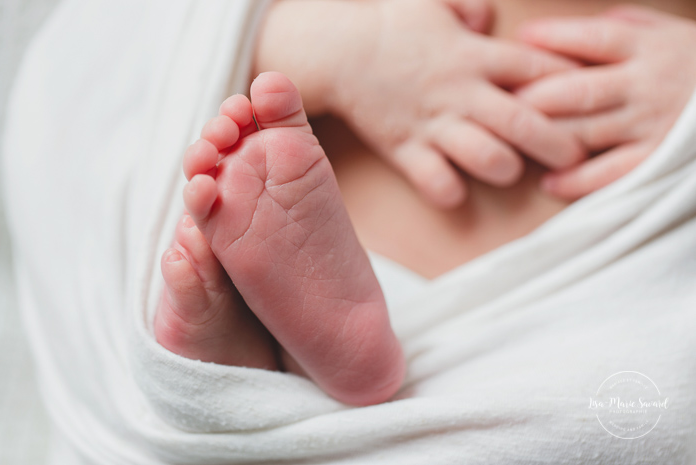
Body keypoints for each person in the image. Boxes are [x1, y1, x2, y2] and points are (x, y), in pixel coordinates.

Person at [154, 0, 696, 406]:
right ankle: (246, 351)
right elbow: (169, 26)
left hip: (601, 268)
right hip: (516, 278)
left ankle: (257, 367)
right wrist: (340, 40)